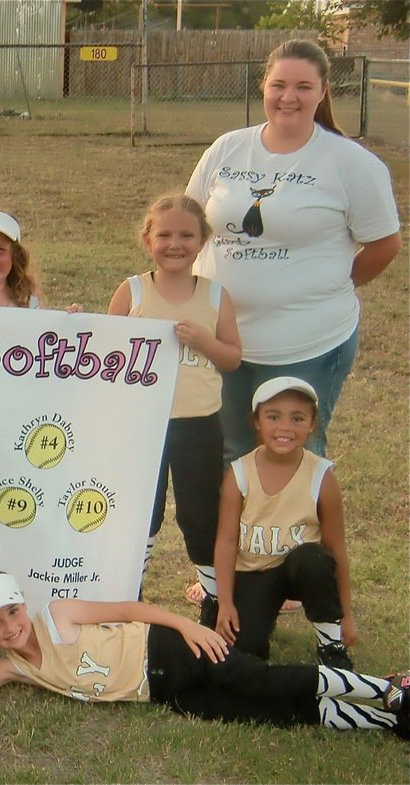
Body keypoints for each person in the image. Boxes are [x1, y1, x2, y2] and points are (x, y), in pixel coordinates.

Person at [186, 39, 401, 466]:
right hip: (223, 341)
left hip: (307, 344)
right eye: (278, 85)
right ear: (262, 88)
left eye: (303, 86)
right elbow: (189, 226)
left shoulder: (349, 163)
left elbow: (385, 245)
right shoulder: (227, 149)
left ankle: (296, 537)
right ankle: (242, 537)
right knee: (234, 455)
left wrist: (327, 283)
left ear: (323, 92)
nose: (289, 97)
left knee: (291, 458)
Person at [0, 571, 408, 739]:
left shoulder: (57, 613)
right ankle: (388, 723)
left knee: (265, 680)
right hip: (162, 692)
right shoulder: (14, 667)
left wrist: (185, 626)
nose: (10, 627)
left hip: (171, 649)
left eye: (11, 612)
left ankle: (389, 690)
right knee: (265, 713)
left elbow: (130, 607)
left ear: (21, 603)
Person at [107, 194, 241, 620]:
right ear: (148, 240)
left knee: (199, 513)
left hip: (199, 425)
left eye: (187, 234)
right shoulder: (132, 292)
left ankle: (214, 596)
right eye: (164, 235)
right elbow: (105, 356)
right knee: (141, 511)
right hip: (142, 424)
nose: (175, 244)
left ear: (203, 241)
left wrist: (205, 342)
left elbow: (233, 358)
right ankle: (130, 591)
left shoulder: (216, 296)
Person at [211, 377, 355, 669]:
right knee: (244, 651)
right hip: (254, 573)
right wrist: (224, 602)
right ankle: (259, 619)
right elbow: (226, 541)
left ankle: (330, 645)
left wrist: (347, 616)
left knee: (313, 559)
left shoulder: (322, 477)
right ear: (257, 421)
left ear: (313, 423)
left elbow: (336, 548)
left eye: (298, 418)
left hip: (299, 570)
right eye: (273, 417)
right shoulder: (239, 474)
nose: (285, 428)